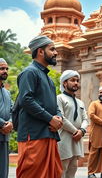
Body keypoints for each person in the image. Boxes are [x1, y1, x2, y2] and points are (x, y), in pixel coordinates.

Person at [16, 35, 63, 178]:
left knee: (53, 173)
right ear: (40, 51)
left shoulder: (48, 78)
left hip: (49, 133)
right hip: (34, 134)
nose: (56, 53)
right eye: (52, 49)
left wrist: (58, 118)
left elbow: (53, 104)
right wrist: (50, 119)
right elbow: (26, 100)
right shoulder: (29, 72)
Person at [57, 70, 89, 178]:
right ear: (64, 83)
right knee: (62, 168)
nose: (76, 83)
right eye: (72, 80)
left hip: (77, 138)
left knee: (73, 168)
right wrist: (76, 131)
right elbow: (61, 118)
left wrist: (82, 131)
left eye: (77, 80)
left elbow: (85, 119)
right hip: (64, 137)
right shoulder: (59, 98)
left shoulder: (80, 102)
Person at [0, 58, 13, 178]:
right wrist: (3, 124)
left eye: (6, 69)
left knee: (3, 172)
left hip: (4, 137)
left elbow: (13, 110)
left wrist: (11, 123)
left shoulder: (7, 93)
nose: (5, 71)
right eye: (2, 68)